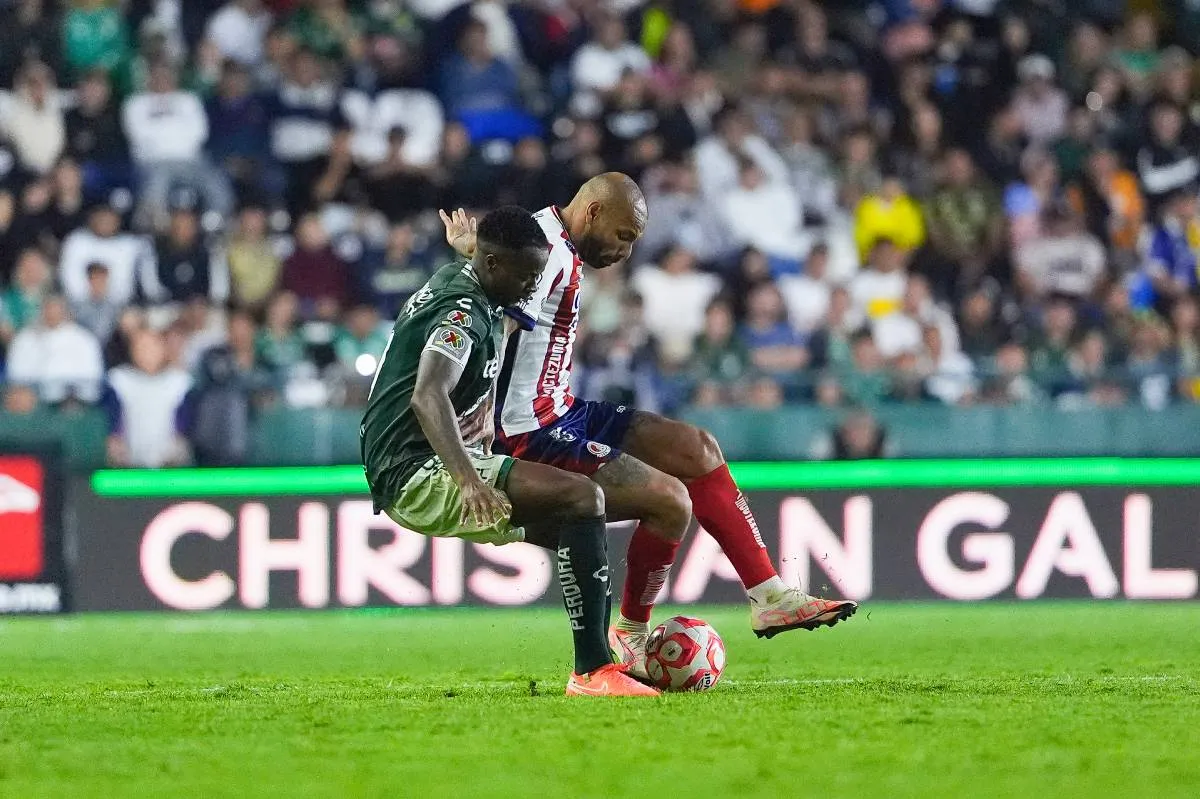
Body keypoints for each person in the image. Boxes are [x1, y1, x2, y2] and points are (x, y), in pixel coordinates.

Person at [441, 174, 857, 680]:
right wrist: (478, 414)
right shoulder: (544, 251)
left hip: (563, 410)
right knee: (669, 501)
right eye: (624, 236)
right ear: (593, 213)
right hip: (527, 431)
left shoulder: (558, 243)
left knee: (696, 447)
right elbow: (497, 325)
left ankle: (769, 596)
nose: (627, 250)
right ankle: (630, 635)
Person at [361, 206, 656, 698]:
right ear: (495, 265)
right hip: (417, 469)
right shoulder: (462, 313)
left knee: (574, 531)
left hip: (403, 465)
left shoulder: (467, 276)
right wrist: (468, 481)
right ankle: (593, 673)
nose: (532, 290)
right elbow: (427, 394)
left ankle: (606, 660)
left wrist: (471, 250)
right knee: (584, 499)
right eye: (528, 277)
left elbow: (481, 273)